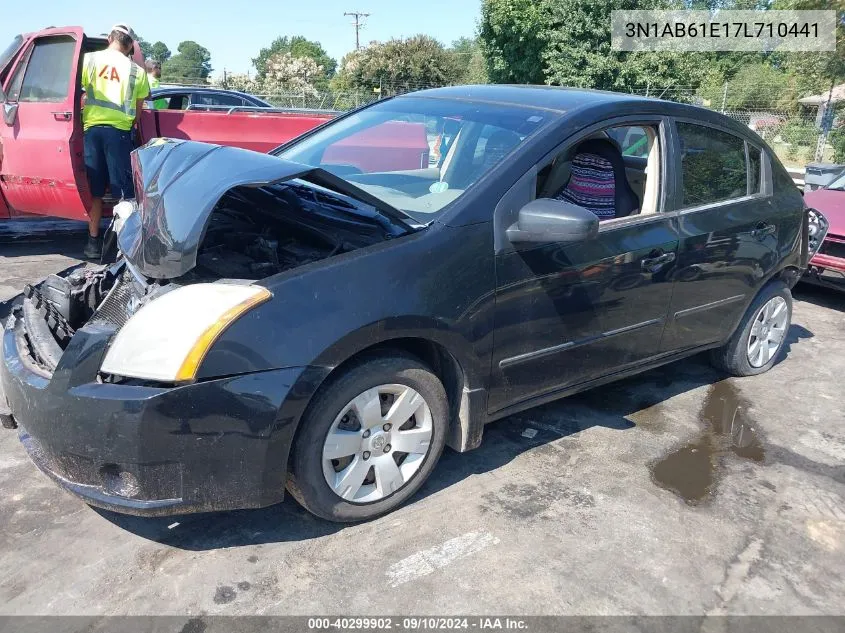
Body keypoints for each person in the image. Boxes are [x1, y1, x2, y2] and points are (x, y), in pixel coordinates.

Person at [80, 23, 150, 259]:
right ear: (130, 45)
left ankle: (92, 243)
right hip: (119, 133)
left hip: (92, 131)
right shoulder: (137, 71)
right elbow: (139, 112)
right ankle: (123, 249)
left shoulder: (88, 60)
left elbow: (79, 93)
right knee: (124, 194)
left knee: (96, 191)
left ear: (110, 38)